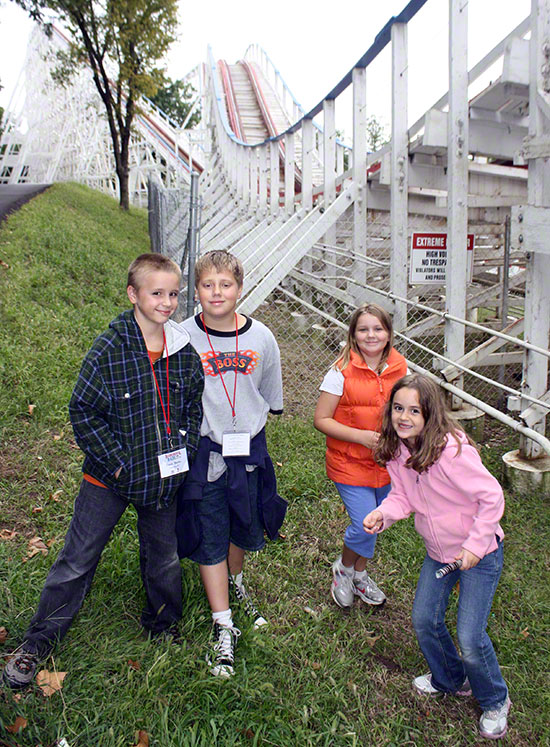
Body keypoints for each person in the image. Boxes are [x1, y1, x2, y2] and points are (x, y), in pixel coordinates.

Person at [2, 253, 204, 690]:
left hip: (163, 477)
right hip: (108, 477)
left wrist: (183, 450)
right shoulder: (110, 348)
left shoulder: (184, 351)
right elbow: (84, 411)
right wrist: (118, 463)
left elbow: (192, 405)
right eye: (157, 293)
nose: (167, 302)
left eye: (173, 293)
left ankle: (163, 624)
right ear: (133, 294)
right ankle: (39, 640)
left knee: (164, 556)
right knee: (78, 558)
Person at [363, 373, 510, 740]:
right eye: (398, 408)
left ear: (431, 414)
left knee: (470, 636)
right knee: (424, 619)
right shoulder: (399, 450)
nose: (404, 417)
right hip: (439, 553)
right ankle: (450, 679)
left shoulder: (451, 452)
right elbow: (403, 496)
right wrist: (385, 513)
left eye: (415, 410)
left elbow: (492, 498)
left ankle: (494, 699)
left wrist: (475, 545)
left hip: (479, 553)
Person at [179, 249, 286, 678]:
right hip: (206, 450)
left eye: (225, 284)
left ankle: (235, 586)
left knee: (243, 521)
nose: (217, 292)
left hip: (248, 449)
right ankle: (223, 625)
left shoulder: (262, 338)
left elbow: (268, 392)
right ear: (197, 291)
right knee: (210, 529)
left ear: (240, 289)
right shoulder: (182, 334)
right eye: (208, 284)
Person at [313, 303, 407, 608]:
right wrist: (362, 438)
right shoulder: (340, 371)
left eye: (378, 329)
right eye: (363, 329)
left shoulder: (401, 369)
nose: (371, 335)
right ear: (353, 334)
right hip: (350, 463)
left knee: (377, 522)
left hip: (387, 464)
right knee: (364, 522)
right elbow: (321, 419)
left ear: (389, 334)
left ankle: (358, 574)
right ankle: (343, 569)